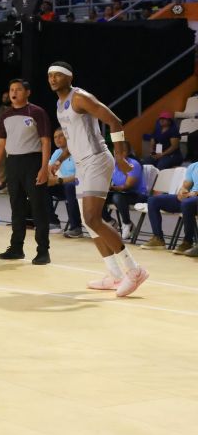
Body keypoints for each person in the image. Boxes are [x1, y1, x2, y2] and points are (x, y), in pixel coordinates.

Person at [48, 61, 147, 296]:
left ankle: (134, 270)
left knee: (93, 219)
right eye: (50, 75)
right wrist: (60, 159)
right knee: (88, 221)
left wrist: (120, 153)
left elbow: (114, 120)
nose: (53, 79)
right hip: (82, 163)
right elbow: (72, 139)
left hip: (97, 159)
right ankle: (114, 275)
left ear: (69, 77)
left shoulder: (80, 97)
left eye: (58, 75)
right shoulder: (60, 105)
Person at [0, 80, 53, 264]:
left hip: (33, 161)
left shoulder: (36, 112)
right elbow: (1, 143)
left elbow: (45, 141)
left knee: (38, 207)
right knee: (16, 206)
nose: (14, 92)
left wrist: (44, 167)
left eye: (18, 89)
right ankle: (16, 248)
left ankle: (43, 251)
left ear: (28, 92)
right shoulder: (6, 115)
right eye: (11, 89)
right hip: (13, 163)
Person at [142, 157, 198, 255]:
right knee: (153, 200)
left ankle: (188, 242)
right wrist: (182, 192)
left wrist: (194, 194)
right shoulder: (194, 166)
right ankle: (158, 238)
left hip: (193, 200)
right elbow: (185, 185)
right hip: (190, 199)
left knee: (187, 203)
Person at [47, 130, 84, 237]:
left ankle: (76, 228)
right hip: (64, 185)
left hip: (80, 185)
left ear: (68, 138)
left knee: (69, 187)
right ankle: (53, 222)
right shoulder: (57, 153)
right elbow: (49, 170)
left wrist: (59, 180)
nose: (57, 139)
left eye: (60, 136)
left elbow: (80, 176)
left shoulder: (78, 153)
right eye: (55, 137)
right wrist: (49, 178)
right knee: (42, 186)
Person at [108, 141, 146, 238]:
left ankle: (127, 223)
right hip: (119, 192)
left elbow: (127, 186)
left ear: (126, 152)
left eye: (119, 151)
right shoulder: (113, 164)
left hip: (137, 194)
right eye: (115, 151)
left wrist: (111, 187)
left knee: (117, 197)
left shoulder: (134, 164)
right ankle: (110, 221)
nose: (116, 154)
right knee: (98, 195)